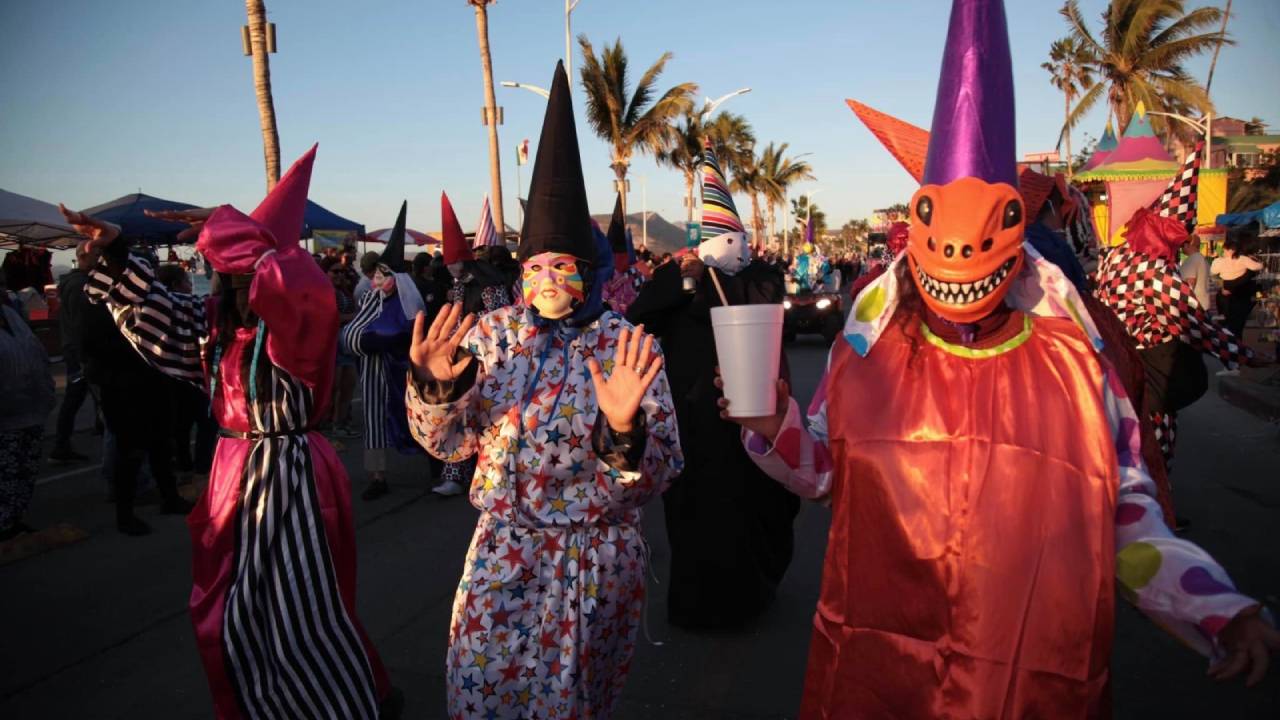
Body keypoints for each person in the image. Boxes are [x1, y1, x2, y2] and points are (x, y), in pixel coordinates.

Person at [720, 2, 1277, 716]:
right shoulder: (869, 347)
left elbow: (1125, 512)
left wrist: (1216, 607)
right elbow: (827, 471)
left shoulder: (1075, 364)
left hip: (1023, 683)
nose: (958, 253)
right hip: (884, 674)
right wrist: (774, 421)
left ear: (1016, 236)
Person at [61, 145, 399, 718]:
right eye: (227, 275)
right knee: (234, 605)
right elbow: (156, 313)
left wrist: (230, 229)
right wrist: (116, 251)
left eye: (242, 272)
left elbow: (292, 285)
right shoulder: (215, 328)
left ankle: (341, 703)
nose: (233, 284)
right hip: (232, 472)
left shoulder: (300, 316)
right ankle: (266, 701)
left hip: (289, 473)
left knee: (298, 604)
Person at [405, 62, 683, 720]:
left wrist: (623, 436)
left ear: (590, 271)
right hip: (503, 555)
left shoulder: (627, 344)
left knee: (573, 706)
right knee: (478, 695)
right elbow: (444, 444)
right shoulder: (491, 338)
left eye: (564, 267)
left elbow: (663, 467)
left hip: (595, 565)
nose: (549, 279)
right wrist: (433, 391)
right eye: (536, 267)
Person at [628, 142, 799, 630]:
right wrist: (682, 282)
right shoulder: (680, 287)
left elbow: (760, 308)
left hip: (750, 417)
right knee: (693, 514)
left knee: (754, 506)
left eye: (732, 241)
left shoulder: (759, 282)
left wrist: (711, 285)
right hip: (692, 420)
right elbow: (638, 317)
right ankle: (695, 606)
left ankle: (752, 594)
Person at [342, 201, 426, 501]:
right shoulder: (370, 301)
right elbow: (351, 336)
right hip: (375, 373)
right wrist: (370, 340)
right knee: (375, 422)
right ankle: (378, 476)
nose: (379, 281)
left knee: (419, 419)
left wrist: (371, 340)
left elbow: (403, 335)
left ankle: (440, 464)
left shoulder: (407, 305)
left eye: (384, 275)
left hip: (403, 373)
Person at [429, 191, 512, 497]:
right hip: (460, 358)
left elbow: (500, 320)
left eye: (452, 262)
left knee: (489, 416)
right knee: (460, 415)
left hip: (488, 359)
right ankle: (455, 473)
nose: (449, 267)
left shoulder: (487, 284)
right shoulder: (458, 284)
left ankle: (492, 471)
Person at [0, 299, 55, 541]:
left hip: (32, 406)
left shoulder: (11, 316)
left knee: (26, 468)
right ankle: (4, 524)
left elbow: (36, 351)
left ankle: (15, 519)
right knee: (7, 472)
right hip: (6, 415)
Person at [155, 263, 217, 476]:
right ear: (175, 284)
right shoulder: (181, 307)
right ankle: (202, 465)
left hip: (168, 373)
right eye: (187, 281)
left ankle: (184, 462)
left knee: (181, 423)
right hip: (187, 370)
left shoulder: (155, 307)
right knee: (205, 421)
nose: (190, 286)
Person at [50, 240, 99, 463]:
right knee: (75, 396)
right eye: (97, 255)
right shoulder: (79, 285)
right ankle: (60, 445)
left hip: (77, 349)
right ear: (83, 257)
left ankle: (64, 443)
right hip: (80, 351)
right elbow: (82, 324)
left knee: (78, 396)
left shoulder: (75, 283)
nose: (101, 259)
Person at [323, 256, 361, 437]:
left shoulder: (344, 291)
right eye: (335, 271)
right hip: (332, 344)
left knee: (348, 385)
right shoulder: (324, 291)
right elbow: (331, 317)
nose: (340, 275)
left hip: (346, 344)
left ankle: (342, 422)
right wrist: (353, 317)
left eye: (342, 271)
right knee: (334, 388)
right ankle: (333, 425)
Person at [1212, 224, 1265, 340]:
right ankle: (1236, 350)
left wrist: (1226, 287)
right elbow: (1254, 275)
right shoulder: (1248, 260)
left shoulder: (1243, 260)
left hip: (1235, 298)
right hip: (1241, 298)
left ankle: (1234, 351)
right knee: (1235, 327)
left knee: (1232, 327)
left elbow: (1241, 280)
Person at [1180, 233, 1212, 311]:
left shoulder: (1192, 259)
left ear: (1188, 245)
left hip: (1194, 306)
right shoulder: (1202, 258)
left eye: (1182, 246)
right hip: (1203, 303)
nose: (1181, 248)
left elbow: (1190, 283)